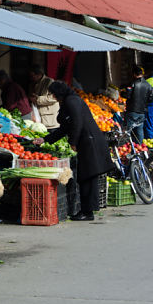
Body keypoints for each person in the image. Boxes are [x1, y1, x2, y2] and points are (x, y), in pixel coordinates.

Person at [44, 81, 114, 221]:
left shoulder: (72, 101)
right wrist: (46, 139)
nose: (52, 96)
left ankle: (87, 212)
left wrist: (73, 142)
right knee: (87, 176)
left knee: (87, 175)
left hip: (89, 141)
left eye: (53, 93)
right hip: (88, 140)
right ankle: (88, 210)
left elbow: (77, 122)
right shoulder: (70, 101)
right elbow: (65, 127)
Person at [28, 65, 59, 131]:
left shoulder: (49, 81)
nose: (31, 78)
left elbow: (54, 98)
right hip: (39, 117)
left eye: (32, 76)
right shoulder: (33, 84)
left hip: (49, 119)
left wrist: (37, 99)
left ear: (39, 74)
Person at [124, 67, 152, 139]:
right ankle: (140, 146)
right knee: (140, 131)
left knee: (128, 131)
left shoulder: (132, 83)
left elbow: (127, 95)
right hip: (142, 112)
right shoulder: (148, 85)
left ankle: (126, 147)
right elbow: (150, 99)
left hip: (132, 111)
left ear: (134, 74)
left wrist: (122, 93)